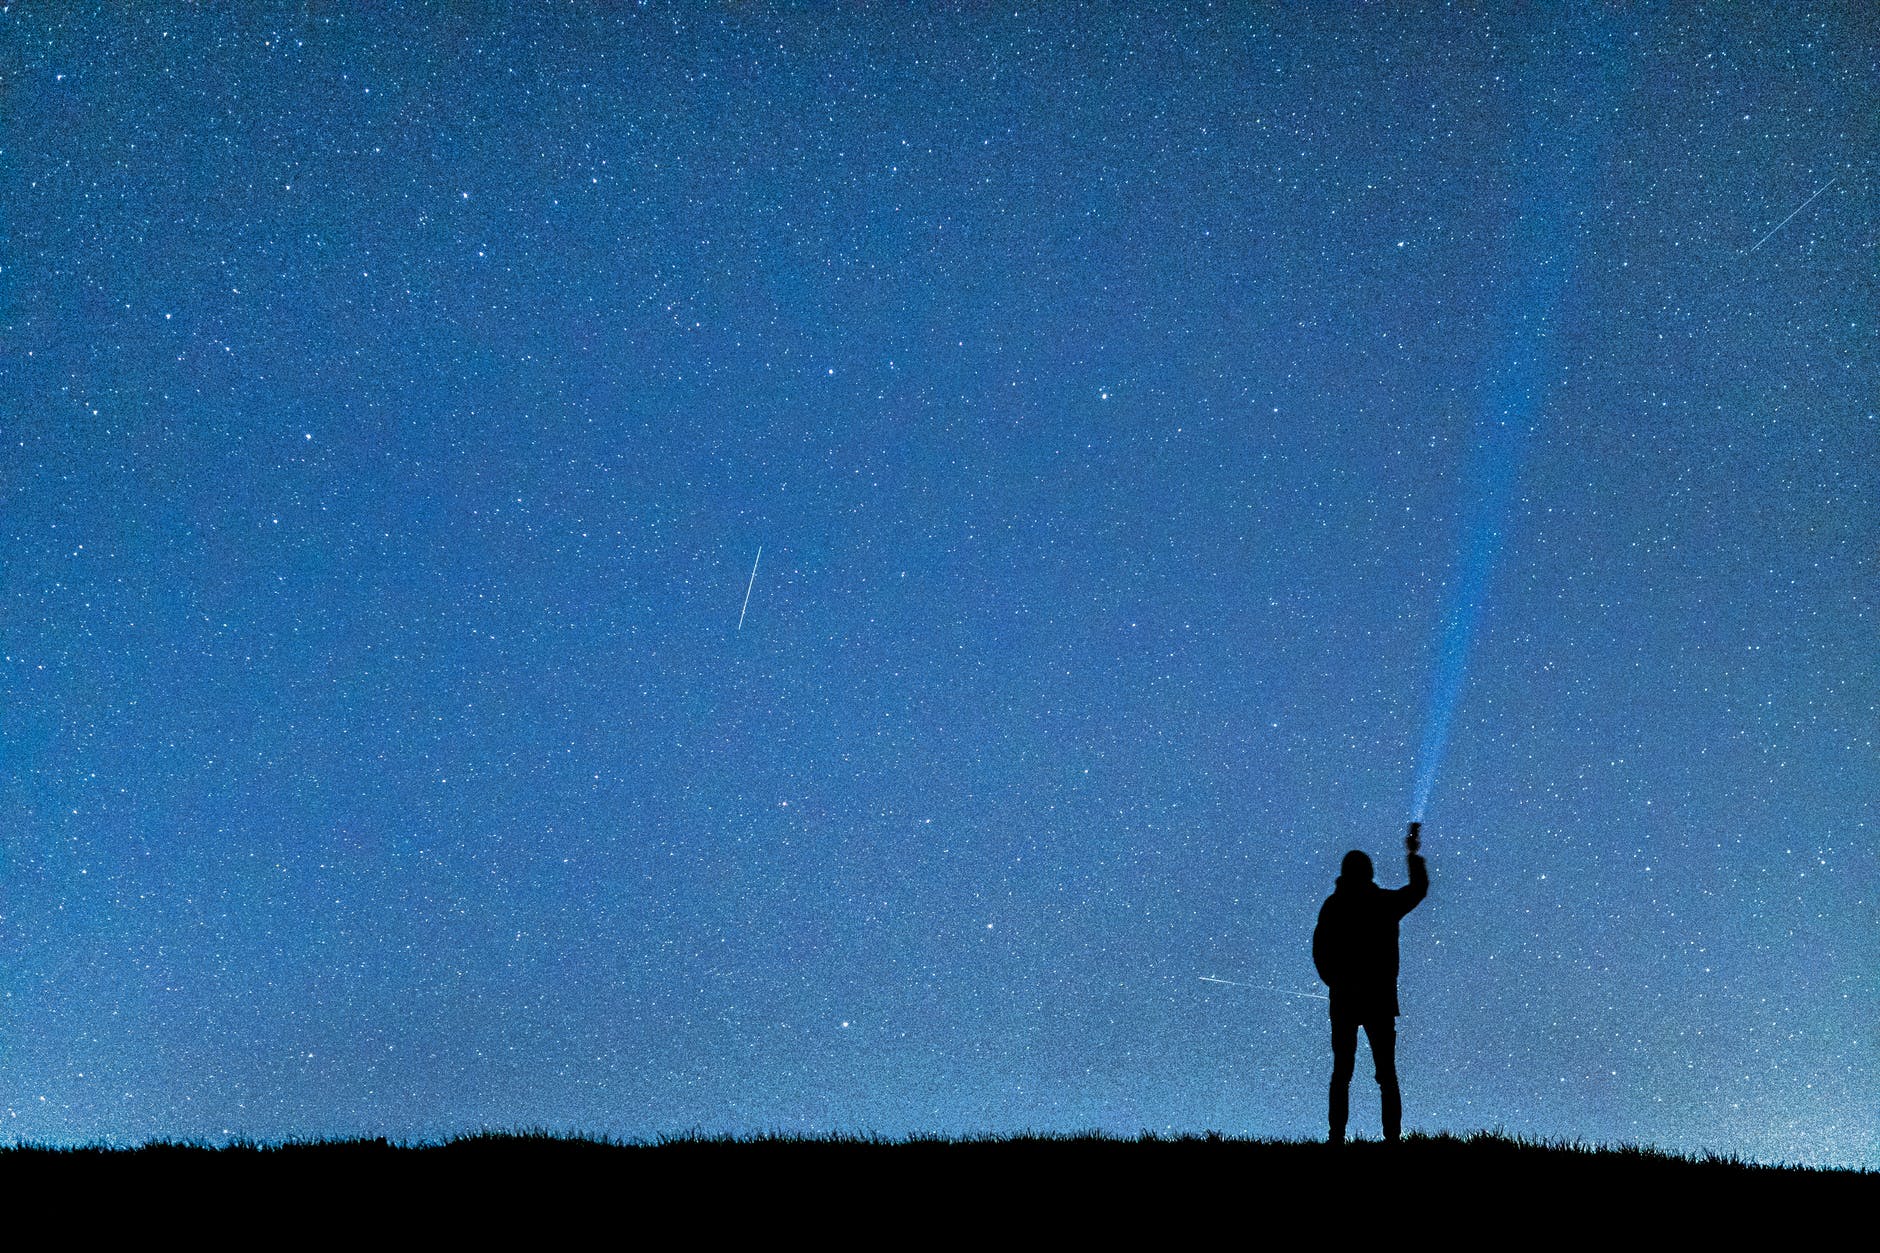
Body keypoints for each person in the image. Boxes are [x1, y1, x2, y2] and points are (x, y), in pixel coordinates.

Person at [1311, 823, 1429, 1144]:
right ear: (1368, 873)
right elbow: (1418, 889)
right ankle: (1390, 1140)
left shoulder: (1335, 906)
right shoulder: (1380, 904)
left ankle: (1338, 1138)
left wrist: (1336, 982)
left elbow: (1320, 950)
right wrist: (1412, 855)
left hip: (1348, 999)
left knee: (1345, 1074)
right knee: (1383, 1076)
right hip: (1374, 999)